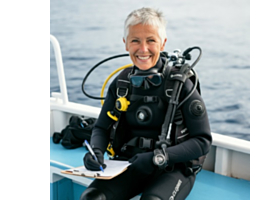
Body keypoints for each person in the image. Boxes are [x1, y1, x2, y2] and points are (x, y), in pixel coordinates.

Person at [80, 7, 212, 200]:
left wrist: (158, 157)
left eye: (151, 40)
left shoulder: (179, 84)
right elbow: (101, 127)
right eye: (135, 41)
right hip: (129, 163)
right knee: (91, 198)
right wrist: (96, 151)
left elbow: (202, 141)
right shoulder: (122, 83)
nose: (143, 49)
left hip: (172, 168)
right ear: (125, 43)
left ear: (163, 43)